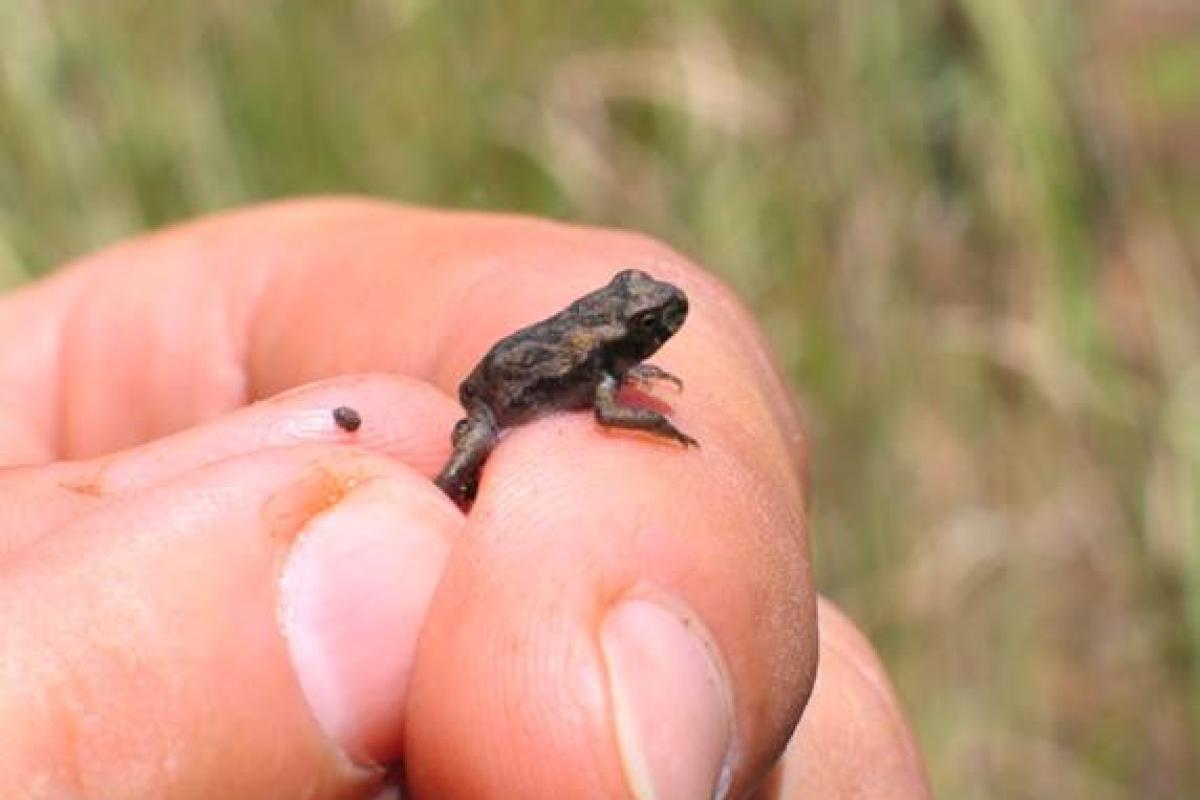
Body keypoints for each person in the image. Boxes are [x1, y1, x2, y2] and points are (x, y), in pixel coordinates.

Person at [0, 199, 930, 799]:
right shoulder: (604, 375)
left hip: (511, 376)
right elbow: (607, 416)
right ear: (626, 330)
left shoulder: (615, 356)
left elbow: (611, 386)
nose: (659, 328)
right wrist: (655, 422)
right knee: (453, 482)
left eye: (652, 322)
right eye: (648, 324)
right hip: (488, 403)